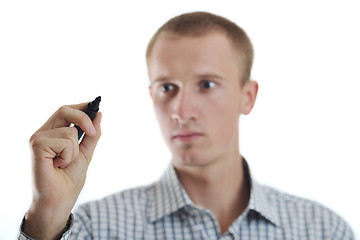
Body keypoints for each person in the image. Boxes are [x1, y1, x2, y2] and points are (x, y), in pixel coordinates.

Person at [19, 11, 354, 240]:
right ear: (152, 97)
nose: (180, 111)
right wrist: (46, 215)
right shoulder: (93, 228)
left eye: (207, 85)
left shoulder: (323, 230)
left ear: (247, 97)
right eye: (167, 88)